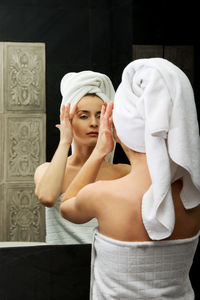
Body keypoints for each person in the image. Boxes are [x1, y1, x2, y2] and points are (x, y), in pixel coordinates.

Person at [60, 58, 200, 299]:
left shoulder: (104, 194)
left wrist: (99, 152)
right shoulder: (193, 197)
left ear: (121, 128)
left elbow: (67, 207)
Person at [34, 70, 130, 244]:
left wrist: (120, 138)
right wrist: (65, 141)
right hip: (60, 266)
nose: (93, 123)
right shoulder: (46, 170)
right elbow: (47, 197)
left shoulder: (123, 172)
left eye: (100, 116)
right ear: (68, 120)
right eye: (84, 116)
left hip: (106, 265)